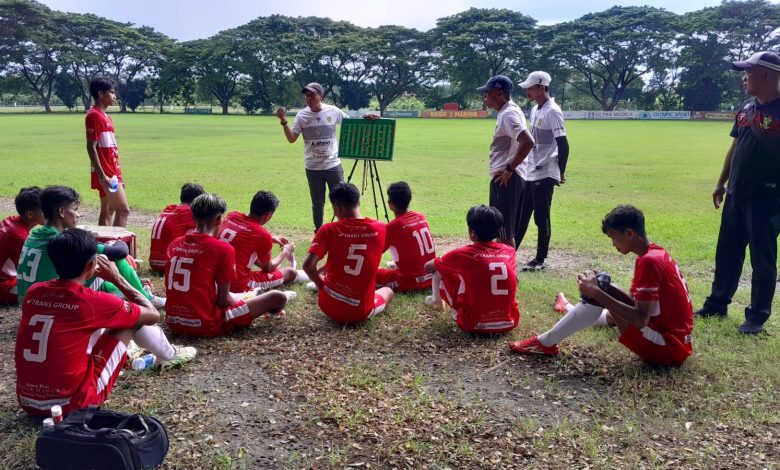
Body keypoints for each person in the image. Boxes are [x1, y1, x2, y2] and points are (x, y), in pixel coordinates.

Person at [15, 228, 196, 416]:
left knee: (91, 326)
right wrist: (118, 279)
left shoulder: (34, 293)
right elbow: (152, 315)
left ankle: (128, 351)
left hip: (28, 401)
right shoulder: (92, 302)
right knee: (130, 319)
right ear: (91, 265)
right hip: (73, 405)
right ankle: (169, 354)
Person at [509, 205, 694, 367]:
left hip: (666, 349)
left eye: (613, 237)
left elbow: (640, 319)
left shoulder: (648, 262)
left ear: (629, 233)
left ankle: (545, 343)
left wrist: (596, 291)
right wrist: (605, 288)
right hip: (677, 343)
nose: (613, 244)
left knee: (598, 292)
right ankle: (566, 308)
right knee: (602, 288)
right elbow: (638, 307)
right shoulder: (656, 253)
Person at [695, 51, 780, 335]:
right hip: (736, 193)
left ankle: (756, 318)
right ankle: (717, 304)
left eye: (749, 72)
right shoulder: (746, 108)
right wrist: (721, 183)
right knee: (727, 254)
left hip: (768, 199)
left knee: (762, 260)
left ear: (766, 74)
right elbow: (735, 146)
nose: (744, 77)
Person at [164, 193, 293, 337]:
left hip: (173, 320)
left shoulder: (175, 244)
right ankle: (251, 295)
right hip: (204, 322)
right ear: (219, 219)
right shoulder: (222, 249)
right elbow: (224, 300)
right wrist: (243, 300)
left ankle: (250, 295)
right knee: (277, 297)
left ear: (193, 218)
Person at [15, 186, 164, 307]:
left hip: (27, 303)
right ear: (61, 211)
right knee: (107, 259)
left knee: (93, 268)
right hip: (52, 303)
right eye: (75, 209)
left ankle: (126, 291)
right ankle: (146, 298)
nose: (78, 215)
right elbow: (120, 251)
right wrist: (112, 244)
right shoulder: (64, 241)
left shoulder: (33, 235)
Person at [303, 182, 394, 325]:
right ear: (358, 202)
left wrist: (321, 285)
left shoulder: (328, 229)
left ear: (337, 206)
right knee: (388, 290)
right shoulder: (381, 228)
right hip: (360, 312)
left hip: (328, 306)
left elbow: (308, 266)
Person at [424, 205, 519, 334]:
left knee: (440, 269)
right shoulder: (510, 251)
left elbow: (428, 266)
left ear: (472, 233)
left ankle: (436, 301)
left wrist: (445, 260)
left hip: (472, 324)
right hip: (509, 322)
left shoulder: (464, 253)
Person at [515, 71, 570, 271]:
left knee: (541, 216)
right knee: (522, 214)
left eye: (530, 88)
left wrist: (560, 171)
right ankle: (509, 253)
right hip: (532, 169)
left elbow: (563, 144)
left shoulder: (553, 111)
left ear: (541, 87)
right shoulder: (536, 110)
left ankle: (540, 259)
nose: (527, 91)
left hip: (546, 171)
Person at [276, 82, 349, 231]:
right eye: (306, 95)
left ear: (320, 96)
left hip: (333, 165)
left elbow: (351, 124)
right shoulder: (302, 115)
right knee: (317, 203)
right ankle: (319, 232)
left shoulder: (333, 111)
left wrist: (366, 117)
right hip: (313, 167)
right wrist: (283, 121)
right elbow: (292, 139)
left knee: (341, 199)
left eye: (312, 95)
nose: (308, 98)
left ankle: (344, 228)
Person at [477, 75, 535, 247]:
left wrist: (509, 168)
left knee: (503, 231)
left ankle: (506, 272)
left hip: (506, 179)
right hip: (514, 177)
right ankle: (506, 269)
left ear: (499, 93)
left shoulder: (508, 115)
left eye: (487, 93)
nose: (485, 96)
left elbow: (528, 141)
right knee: (506, 230)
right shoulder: (511, 110)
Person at [217, 190, 309, 293]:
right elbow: (268, 268)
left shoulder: (232, 216)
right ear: (269, 214)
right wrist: (286, 252)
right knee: (290, 272)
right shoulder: (261, 234)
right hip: (237, 284)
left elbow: (241, 239)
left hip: (215, 277)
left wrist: (270, 238)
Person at [375, 181, 436, 291]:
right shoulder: (421, 217)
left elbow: (375, 253)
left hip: (410, 282)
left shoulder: (392, 227)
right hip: (432, 277)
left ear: (390, 204)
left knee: (371, 274)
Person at [86, 77, 130, 227]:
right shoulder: (94, 115)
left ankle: (103, 245)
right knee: (123, 210)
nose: (115, 96)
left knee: (107, 210)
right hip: (107, 174)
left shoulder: (107, 117)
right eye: (111, 92)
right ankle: (116, 246)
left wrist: (119, 174)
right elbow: (91, 147)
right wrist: (101, 174)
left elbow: (110, 149)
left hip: (113, 171)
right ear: (100, 94)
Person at [149, 183, 206, 272]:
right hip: (170, 263)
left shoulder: (170, 209)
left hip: (154, 262)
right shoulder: (188, 211)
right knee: (201, 230)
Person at [0, 187, 43, 304]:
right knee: (41, 289)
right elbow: (31, 272)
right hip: (3, 286)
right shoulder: (19, 237)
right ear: (30, 214)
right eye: (44, 209)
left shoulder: (12, 222)